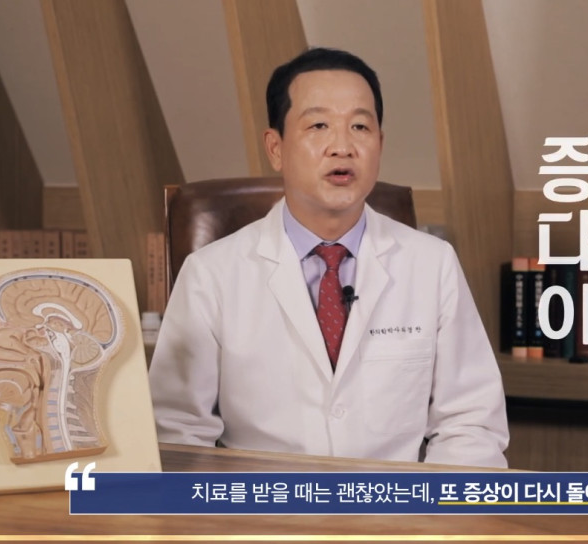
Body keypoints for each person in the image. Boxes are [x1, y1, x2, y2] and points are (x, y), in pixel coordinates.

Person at [147, 47, 509, 468]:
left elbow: (471, 424)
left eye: (360, 126)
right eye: (319, 125)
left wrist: (422, 505)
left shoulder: (432, 264)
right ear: (276, 147)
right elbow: (176, 433)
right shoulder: (211, 274)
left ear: (380, 144)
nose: (342, 146)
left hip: (390, 506)